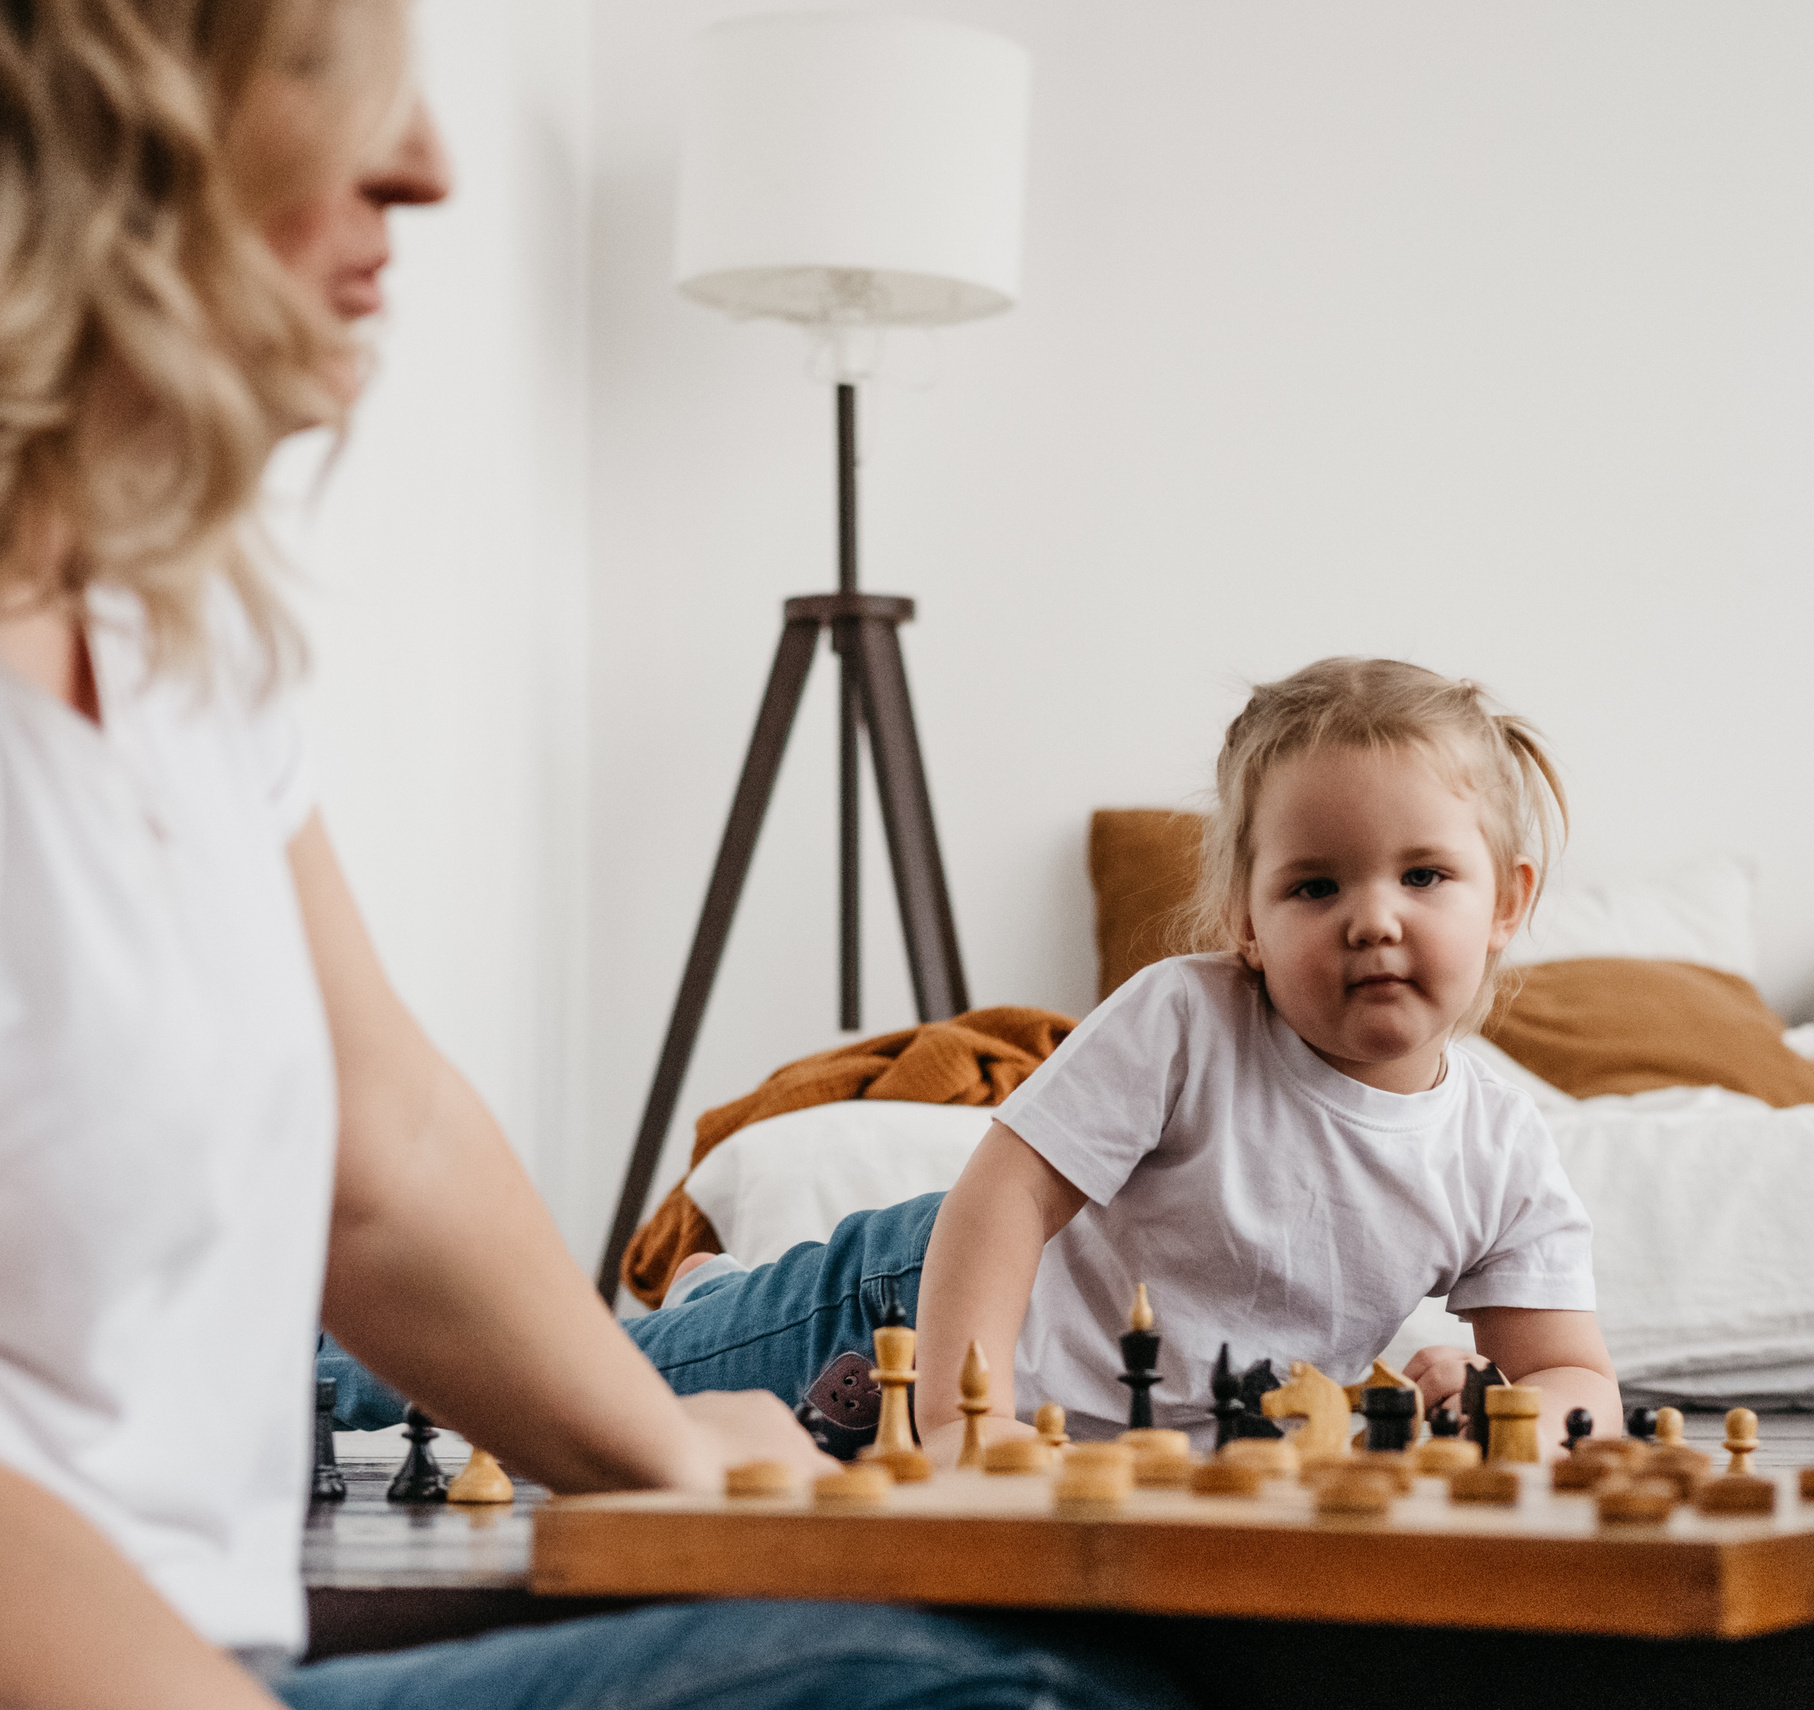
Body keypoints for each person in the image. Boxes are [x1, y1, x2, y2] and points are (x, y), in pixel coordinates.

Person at [0, 4, 1190, 1707]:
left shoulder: (185, 643)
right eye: (332, 78)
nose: (427, 164)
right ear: (95, 118)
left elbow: (382, 1147)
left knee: (1048, 1660)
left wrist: (682, 1461)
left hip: (215, 1641)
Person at [325, 656, 1621, 1462]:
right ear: (1246, 919)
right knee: (554, 1381)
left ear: (1506, 900)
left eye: (1424, 875)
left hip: (1093, 1438)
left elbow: (1578, 1375)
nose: (1373, 916)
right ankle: (308, 1370)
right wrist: (957, 1415)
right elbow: (1009, 1190)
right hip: (900, 1315)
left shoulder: (1498, 1149)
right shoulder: (1188, 1020)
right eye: (1316, 882)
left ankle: (715, 1298)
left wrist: (1507, 1410)